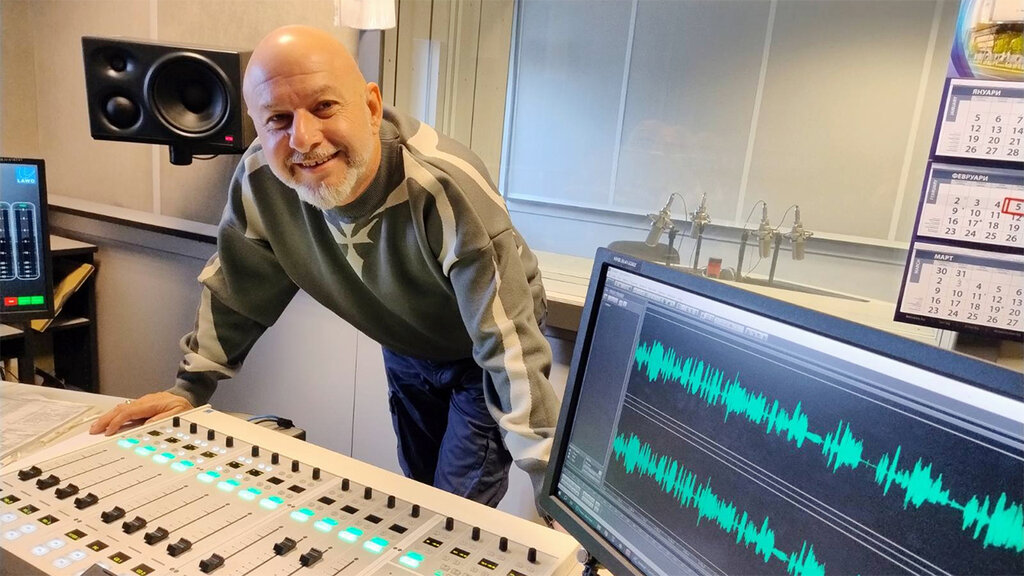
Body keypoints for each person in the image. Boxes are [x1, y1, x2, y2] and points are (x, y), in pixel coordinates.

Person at [90, 25, 560, 509]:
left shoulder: (444, 186)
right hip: (407, 338)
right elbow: (237, 289)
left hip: (483, 348)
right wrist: (188, 391)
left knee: (454, 512)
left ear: (371, 107)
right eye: (278, 119)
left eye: (324, 107)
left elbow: (509, 345)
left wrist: (551, 492)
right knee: (419, 493)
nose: (304, 138)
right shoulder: (261, 181)